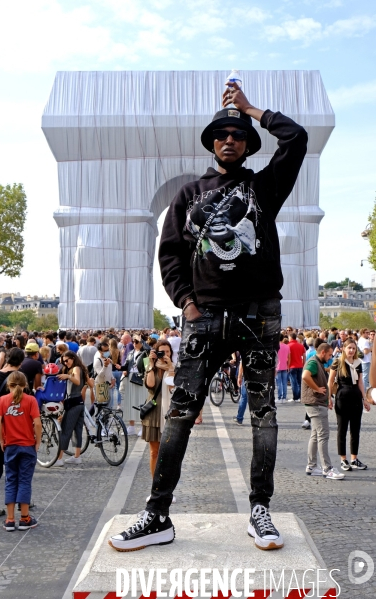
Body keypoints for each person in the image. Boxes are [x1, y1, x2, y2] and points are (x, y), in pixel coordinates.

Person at [109, 80, 307, 552]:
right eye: (222, 134)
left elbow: (296, 137)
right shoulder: (188, 194)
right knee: (179, 415)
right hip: (205, 316)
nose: (229, 139)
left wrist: (249, 108)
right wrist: (185, 302)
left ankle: (260, 510)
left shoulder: (264, 187)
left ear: (247, 144)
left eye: (237, 135)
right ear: (212, 143)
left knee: (264, 415)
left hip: (259, 315)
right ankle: (157, 513)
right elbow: (171, 253)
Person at [0, 371, 42, 531]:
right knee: (24, 480)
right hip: (27, 445)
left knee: (11, 480)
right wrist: (37, 441)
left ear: (9, 385)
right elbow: (37, 423)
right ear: (25, 385)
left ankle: (10, 520)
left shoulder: (2, 400)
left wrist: (1, 439)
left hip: (10, 445)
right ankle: (25, 518)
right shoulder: (30, 400)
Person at [301, 343, 344, 480]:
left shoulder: (317, 362)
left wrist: (326, 400)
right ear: (323, 352)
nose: (330, 357)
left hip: (317, 403)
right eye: (330, 355)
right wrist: (316, 389)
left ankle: (312, 466)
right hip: (315, 403)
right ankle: (327, 468)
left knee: (315, 435)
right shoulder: (314, 362)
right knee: (323, 435)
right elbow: (305, 376)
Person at [328, 339, 370, 471]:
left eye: (353, 348)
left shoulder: (358, 363)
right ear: (344, 349)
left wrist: (365, 399)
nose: (351, 350)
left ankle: (354, 459)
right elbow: (330, 382)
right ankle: (343, 459)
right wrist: (328, 398)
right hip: (342, 398)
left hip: (356, 398)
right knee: (342, 430)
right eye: (349, 348)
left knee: (355, 430)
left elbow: (361, 383)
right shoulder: (338, 362)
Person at [0, 348, 26, 518]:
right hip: (15, 431)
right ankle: (22, 505)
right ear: (21, 362)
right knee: (18, 470)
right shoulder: (20, 379)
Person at [142, 340, 175, 478]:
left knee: (168, 454)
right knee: (153, 452)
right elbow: (150, 385)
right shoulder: (149, 364)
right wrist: (151, 364)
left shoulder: (174, 367)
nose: (165, 354)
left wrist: (171, 368)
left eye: (167, 352)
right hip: (153, 412)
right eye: (162, 351)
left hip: (169, 412)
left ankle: (166, 488)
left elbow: (172, 388)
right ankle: (155, 488)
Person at [54, 352, 89, 467]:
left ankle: (59, 458)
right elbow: (89, 383)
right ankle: (77, 456)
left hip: (73, 403)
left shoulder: (76, 369)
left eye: (67, 360)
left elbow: (78, 381)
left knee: (65, 430)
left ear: (73, 359)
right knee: (77, 430)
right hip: (79, 402)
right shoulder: (81, 368)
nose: (65, 363)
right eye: (63, 361)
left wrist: (68, 376)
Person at [118, 335, 148, 436]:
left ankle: (143, 426)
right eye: (134, 342)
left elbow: (147, 367)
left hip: (141, 378)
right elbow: (126, 365)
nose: (134, 344)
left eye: (137, 342)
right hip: (131, 377)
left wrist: (142, 341)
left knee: (141, 402)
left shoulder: (145, 353)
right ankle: (131, 426)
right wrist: (119, 367)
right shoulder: (131, 353)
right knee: (130, 402)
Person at [287, 332, 306, 402]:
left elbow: (287, 357)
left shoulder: (288, 346)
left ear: (290, 338)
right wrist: (304, 364)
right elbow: (304, 356)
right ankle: (301, 396)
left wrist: (287, 366)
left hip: (292, 366)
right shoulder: (301, 346)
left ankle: (295, 397)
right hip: (300, 365)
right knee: (299, 382)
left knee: (293, 382)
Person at [276, 333, 290, 402]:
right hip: (285, 366)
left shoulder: (276, 347)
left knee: (279, 383)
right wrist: (288, 365)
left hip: (277, 367)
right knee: (284, 383)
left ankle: (280, 397)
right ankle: (284, 397)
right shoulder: (287, 346)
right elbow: (289, 357)